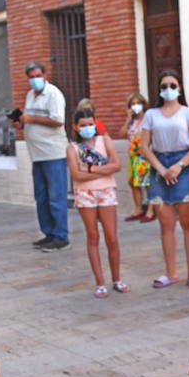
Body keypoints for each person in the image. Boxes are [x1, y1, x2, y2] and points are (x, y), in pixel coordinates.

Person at [140, 70, 189, 289]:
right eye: (164, 85)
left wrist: (179, 166)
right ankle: (171, 272)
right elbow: (144, 146)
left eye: (172, 85)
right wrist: (160, 168)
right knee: (165, 223)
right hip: (160, 165)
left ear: (180, 88)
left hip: (184, 166)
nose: (168, 89)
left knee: (188, 223)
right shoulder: (151, 115)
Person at [67, 108, 128, 297]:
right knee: (92, 236)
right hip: (85, 194)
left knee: (112, 237)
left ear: (96, 123)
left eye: (90, 124)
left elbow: (116, 165)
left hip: (106, 191)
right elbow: (76, 174)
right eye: (83, 125)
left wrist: (91, 168)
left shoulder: (105, 140)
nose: (87, 128)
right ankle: (100, 282)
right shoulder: (72, 148)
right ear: (76, 127)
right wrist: (103, 169)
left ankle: (117, 279)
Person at [19, 62, 70, 251]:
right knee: (42, 197)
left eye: (38, 75)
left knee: (56, 196)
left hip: (53, 153)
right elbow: (31, 119)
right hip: (36, 154)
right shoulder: (30, 95)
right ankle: (48, 233)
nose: (35, 79)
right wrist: (23, 122)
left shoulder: (54, 94)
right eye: (31, 76)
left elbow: (58, 120)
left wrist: (31, 119)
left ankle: (61, 236)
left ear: (45, 75)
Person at [121, 92, 155, 223]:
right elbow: (122, 133)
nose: (136, 106)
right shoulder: (132, 121)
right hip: (133, 156)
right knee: (134, 184)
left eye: (138, 103)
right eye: (133, 104)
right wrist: (128, 119)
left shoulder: (148, 118)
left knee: (147, 183)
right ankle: (138, 209)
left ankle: (151, 211)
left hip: (145, 155)